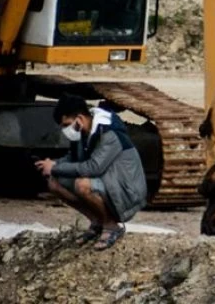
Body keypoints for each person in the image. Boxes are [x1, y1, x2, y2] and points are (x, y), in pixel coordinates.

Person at [35, 95, 148, 250]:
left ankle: (111, 225)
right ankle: (98, 222)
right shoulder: (83, 133)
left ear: (80, 118)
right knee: (54, 183)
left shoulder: (109, 133)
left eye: (66, 124)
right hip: (108, 182)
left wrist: (54, 167)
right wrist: (54, 164)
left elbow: (93, 168)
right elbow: (73, 158)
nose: (66, 130)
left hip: (126, 189)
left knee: (82, 185)